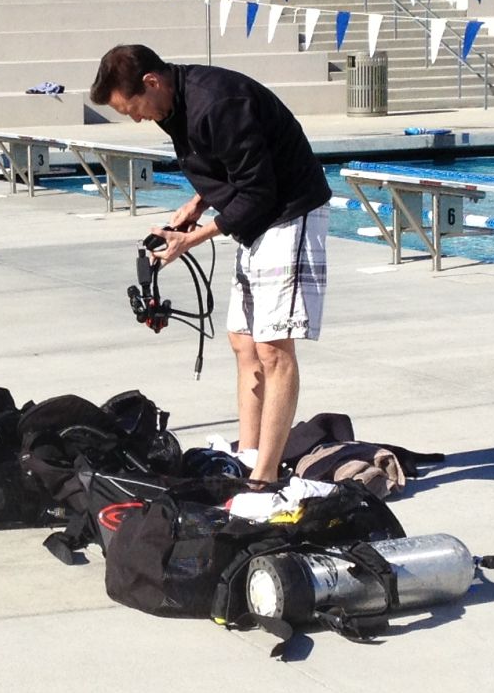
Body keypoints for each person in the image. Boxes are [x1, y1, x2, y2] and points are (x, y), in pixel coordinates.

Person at [92, 43, 331, 492]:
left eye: (134, 109)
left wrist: (192, 239)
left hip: (289, 213)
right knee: (243, 343)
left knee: (274, 348)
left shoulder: (217, 103)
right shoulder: (174, 106)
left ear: (151, 82)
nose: (137, 119)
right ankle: (249, 454)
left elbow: (258, 189)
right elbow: (227, 167)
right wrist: (196, 204)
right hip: (256, 220)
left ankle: (265, 477)